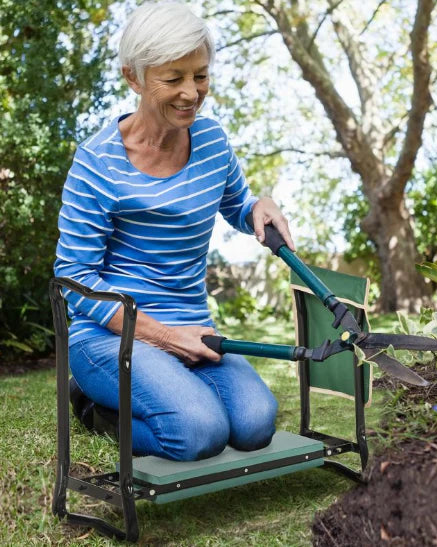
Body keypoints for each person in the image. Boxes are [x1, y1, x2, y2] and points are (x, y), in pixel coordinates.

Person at [54, 1, 295, 462]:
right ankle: (92, 407)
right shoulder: (97, 162)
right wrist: (163, 337)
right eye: (174, 78)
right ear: (134, 78)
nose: (192, 92)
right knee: (197, 432)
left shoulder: (212, 142)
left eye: (200, 75)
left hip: (193, 327)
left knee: (254, 425)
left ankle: (168, 397)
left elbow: (237, 206)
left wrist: (259, 206)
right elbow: (75, 278)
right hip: (111, 336)